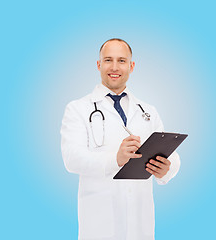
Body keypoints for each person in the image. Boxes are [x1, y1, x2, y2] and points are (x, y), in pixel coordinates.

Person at [60, 38, 181, 240]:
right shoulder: (78, 108)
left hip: (141, 227)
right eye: (108, 60)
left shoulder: (147, 111)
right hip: (99, 226)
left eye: (122, 61)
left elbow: (171, 154)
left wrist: (167, 169)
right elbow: (71, 159)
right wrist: (115, 159)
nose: (114, 67)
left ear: (131, 66)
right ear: (99, 65)